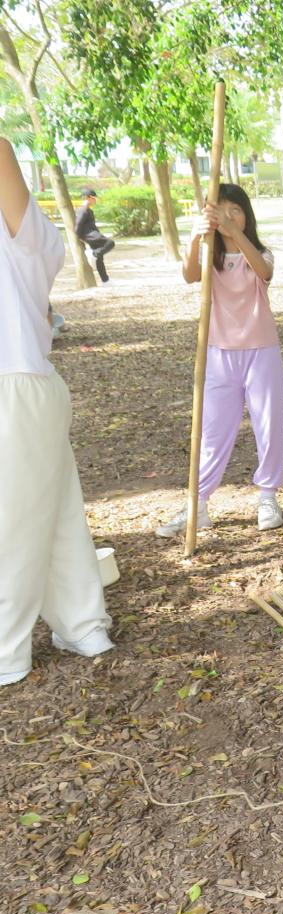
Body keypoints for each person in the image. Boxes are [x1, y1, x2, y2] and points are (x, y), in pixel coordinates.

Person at [0, 137, 114, 685]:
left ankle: (7, 649)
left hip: (16, 383)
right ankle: (82, 621)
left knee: (14, 521)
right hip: (27, 384)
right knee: (53, 510)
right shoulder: (25, 237)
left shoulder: (19, 231)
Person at [155, 184, 283, 538]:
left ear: (247, 215)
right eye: (221, 210)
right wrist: (196, 238)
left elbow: (264, 271)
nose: (228, 216)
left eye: (236, 210)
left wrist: (231, 231)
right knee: (212, 431)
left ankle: (268, 496)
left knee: (268, 425)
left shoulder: (260, 253)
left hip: (261, 352)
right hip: (218, 353)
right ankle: (197, 504)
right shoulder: (210, 258)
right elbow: (189, 275)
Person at [75, 187, 115, 284]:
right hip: (89, 235)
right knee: (110, 243)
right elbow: (78, 225)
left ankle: (105, 280)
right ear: (88, 198)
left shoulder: (89, 210)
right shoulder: (83, 210)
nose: (95, 200)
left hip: (93, 234)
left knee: (99, 258)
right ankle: (93, 254)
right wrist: (79, 237)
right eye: (94, 198)